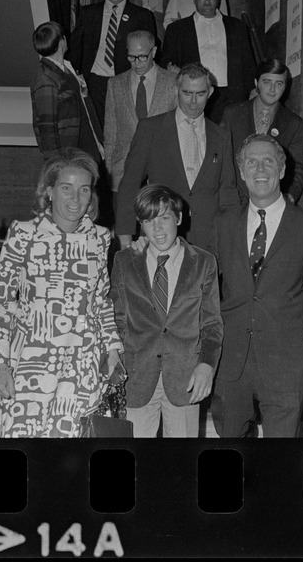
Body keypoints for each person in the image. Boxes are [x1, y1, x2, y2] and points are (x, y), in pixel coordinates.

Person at [0, 149, 123, 438]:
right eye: (66, 188)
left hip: (82, 363)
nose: (76, 199)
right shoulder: (24, 234)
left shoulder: (101, 238)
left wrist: (113, 350)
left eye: (84, 189)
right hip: (31, 360)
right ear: (49, 191)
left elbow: (101, 301)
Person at [211, 134, 303, 438]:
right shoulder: (223, 223)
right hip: (230, 360)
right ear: (242, 172)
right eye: (251, 162)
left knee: (280, 460)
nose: (260, 169)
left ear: (282, 171)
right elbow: (201, 277)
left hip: (285, 362)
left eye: (268, 161)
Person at [110, 185, 223, 438]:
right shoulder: (125, 261)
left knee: (180, 464)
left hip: (185, 378)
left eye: (164, 218)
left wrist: (206, 365)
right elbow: (117, 319)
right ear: (141, 224)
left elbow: (212, 323)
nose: (158, 229)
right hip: (136, 377)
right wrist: (113, 360)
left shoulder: (203, 262)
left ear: (179, 218)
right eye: (149, 221)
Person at [116, 63, 239, 254]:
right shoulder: (150, 129)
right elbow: (130, 183)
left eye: (200, 94)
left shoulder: (221, 136)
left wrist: (233, 238)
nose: (193, 101)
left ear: (211, 92)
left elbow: (228, 191)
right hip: (160, 237)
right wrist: (125, 236)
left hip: (209, 243)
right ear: (176, 90)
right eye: (187, 93)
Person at [67, 0, 156, 127]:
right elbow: (75, 49)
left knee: (126, 127)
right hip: (95, 81)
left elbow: (151, 53)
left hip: (126, 81)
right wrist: (75, 77)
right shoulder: (88, 13)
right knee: (97, 127)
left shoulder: (142, 16)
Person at [161, 0, 254, 123]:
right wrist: (173, 70)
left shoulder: (237, 27)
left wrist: (251, 91)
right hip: (195, 95)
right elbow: (166, 63)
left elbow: (248, 63)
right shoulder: (177, 29)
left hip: (231, 95)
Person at [102, 30, 178, 194]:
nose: (136, 63)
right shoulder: (115, 84)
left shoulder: (173, 82)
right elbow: (110, 133)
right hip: (123, 172)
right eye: (131, 57)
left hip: (163, 171)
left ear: (154, 52)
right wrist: (109, 171)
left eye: (142, 56)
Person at [221, 59, 303, 204]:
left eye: (279, 83)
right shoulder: (232, 114)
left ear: (285, 87)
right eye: (267, 82)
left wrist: (289, 197)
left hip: (273, 203)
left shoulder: (294, 124)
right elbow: (221, 159)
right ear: (256, 83)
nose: (272, 90)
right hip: (234, 202)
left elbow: (297, 168)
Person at [30, 20, 103, 163]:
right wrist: (56, 164)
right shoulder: (45, 79)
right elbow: (47, 127)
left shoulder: (66, 68)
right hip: (69, 152)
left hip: (85, 143)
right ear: (62, 41)